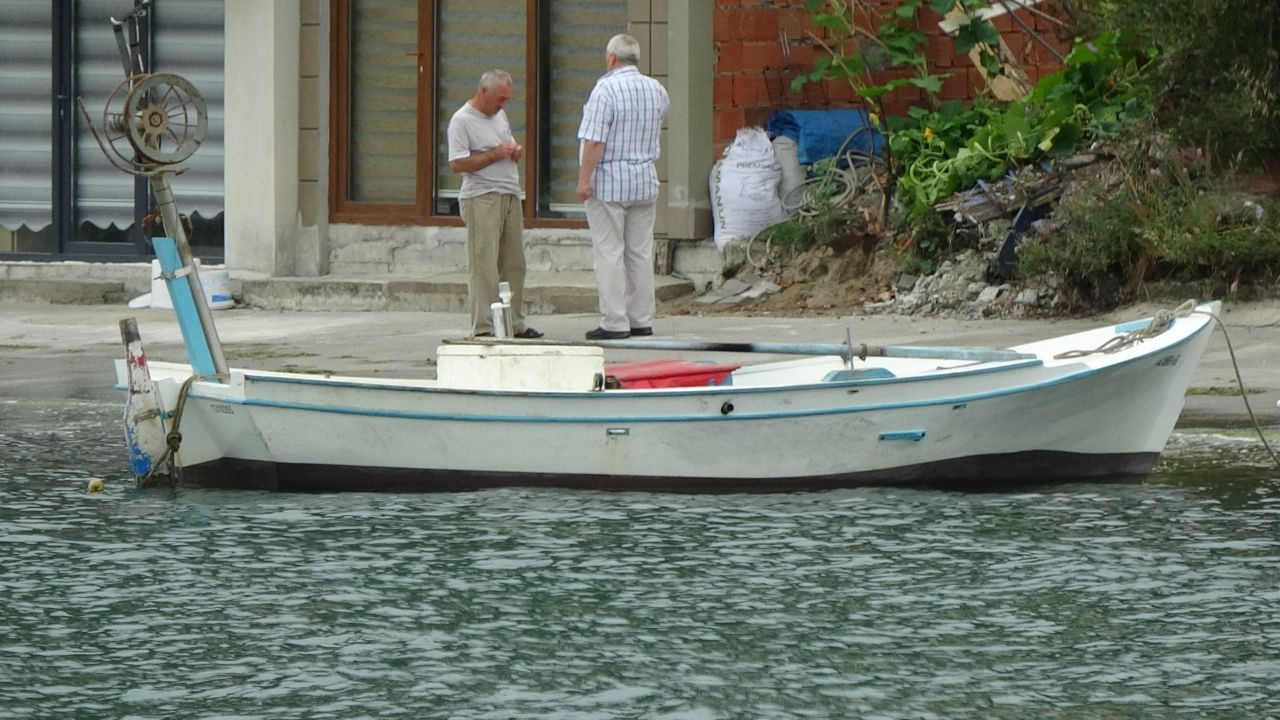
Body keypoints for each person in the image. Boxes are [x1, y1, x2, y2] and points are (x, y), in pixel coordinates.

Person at [576, 34, 670, 340]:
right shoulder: (656, 89)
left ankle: (614, 322)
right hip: (644, 180)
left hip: (609, 183)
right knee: (640, 253)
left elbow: (594, 140)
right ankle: (641, 318)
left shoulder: (605, 89)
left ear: (612, 58)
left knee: (609, 253)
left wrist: (583, 178)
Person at [447, 69, 542, 338]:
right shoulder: (461, 120)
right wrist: (495, 155)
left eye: (507, 99)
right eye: (500, 98)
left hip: (509, 193)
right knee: (484, 263)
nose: (503, 105)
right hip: (481, 196)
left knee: (514, 263)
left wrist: (514, 151)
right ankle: (484, 326)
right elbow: (457, 163)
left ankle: (515, 322)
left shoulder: (499, 115)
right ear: (483, 92)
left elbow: (506, 144)